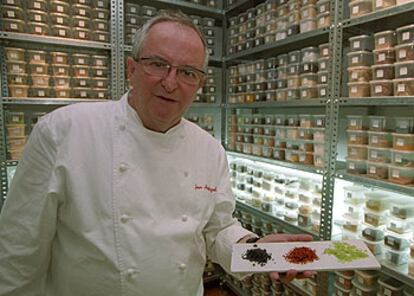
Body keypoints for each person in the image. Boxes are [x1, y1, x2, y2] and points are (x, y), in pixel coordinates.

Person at [0, 11, 313, 296]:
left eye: (188, 72)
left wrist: (257, 250)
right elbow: (19, 247)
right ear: (131, 68)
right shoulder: (63, 131)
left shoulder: (209, 149)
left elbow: (218, 230)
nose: (171, 82)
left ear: (200, 83)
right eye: (158, 65)